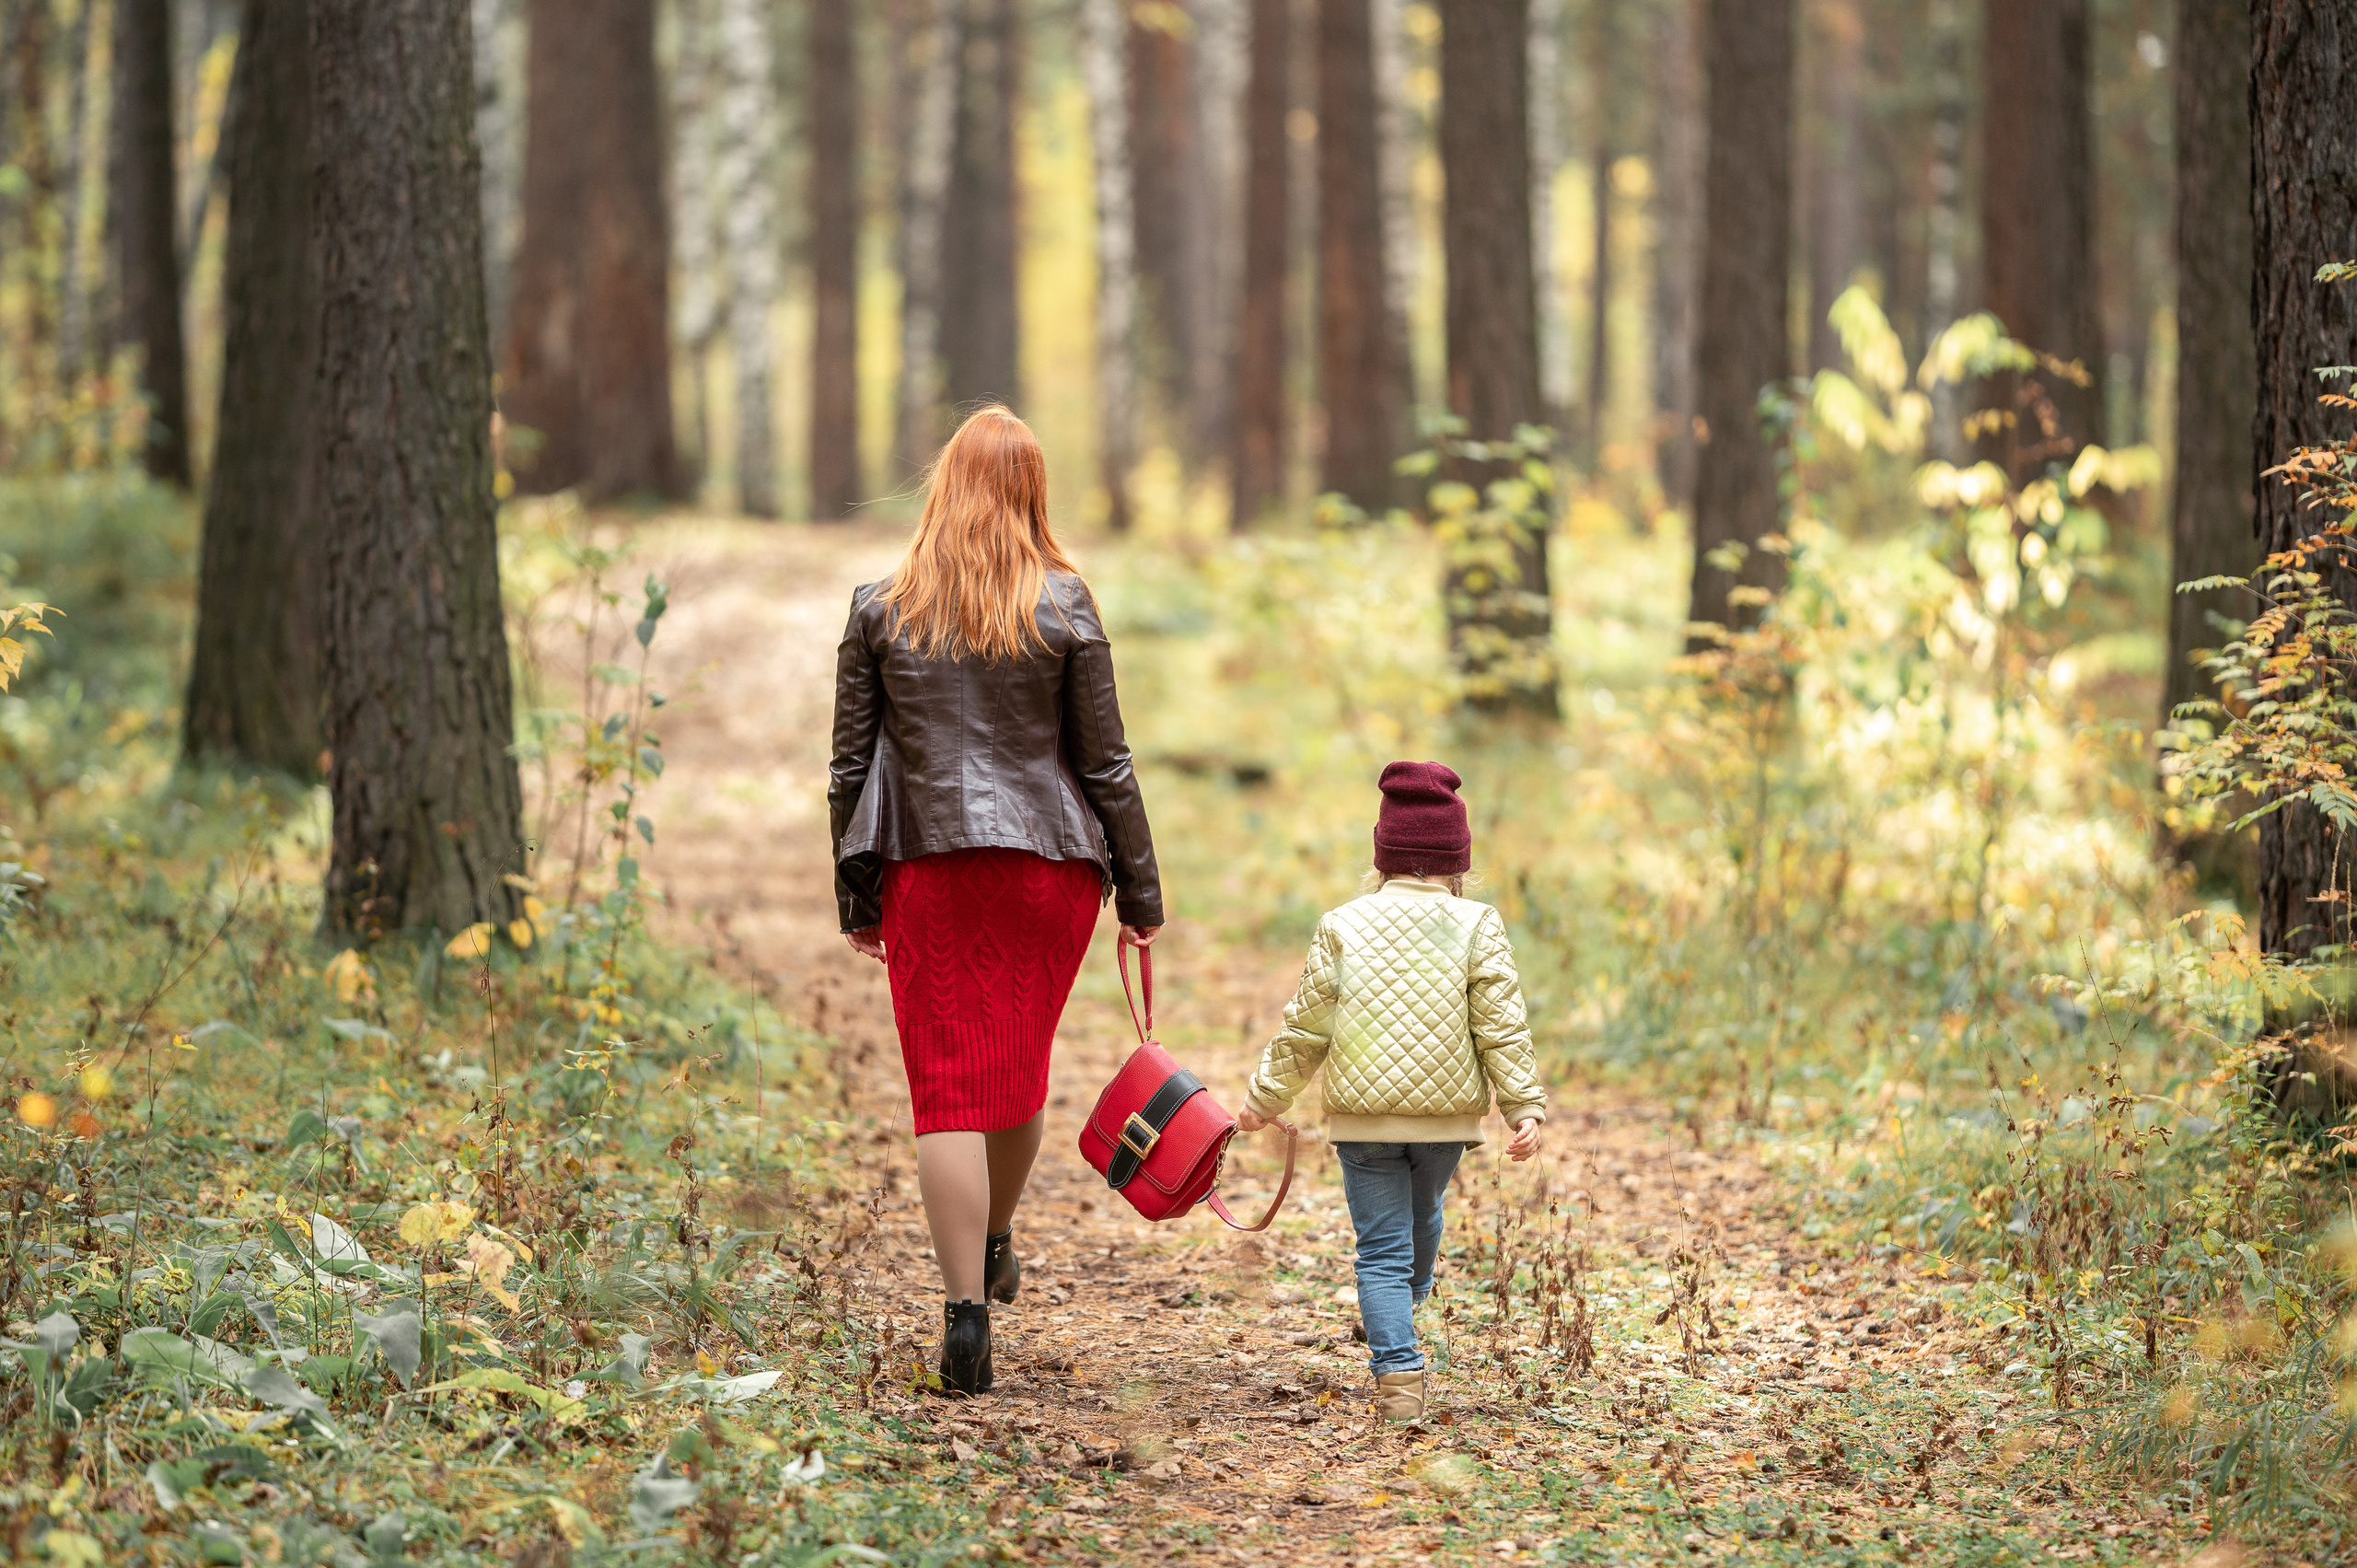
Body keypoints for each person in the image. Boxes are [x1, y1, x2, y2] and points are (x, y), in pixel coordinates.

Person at [830, 405, 1162, 1397]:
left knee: (946, 1090)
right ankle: (996, 1234)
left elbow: (848, 767)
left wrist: (857, 894)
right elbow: (1106, 761)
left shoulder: (879, 608)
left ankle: (964, 1313)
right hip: (1047, 871)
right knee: (1015, 1069)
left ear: (943, 487)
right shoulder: (1066, 603)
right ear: (1031, 492)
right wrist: (1140, 891)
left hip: (928, 867)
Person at [1236, 761, 1546, 1423]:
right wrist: (1523, 1105)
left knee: (1381, 1249)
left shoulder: (1342, 923)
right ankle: (1403, 1311)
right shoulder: (1478, 923)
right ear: (1457, 860)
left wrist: (1265, 1100)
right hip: (1445, 1120)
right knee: (1423, 1215)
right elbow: (1502, 1025)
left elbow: (1306, 1029)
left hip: (1363, 1121)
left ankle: (1398, 1375)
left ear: (1383, 854)